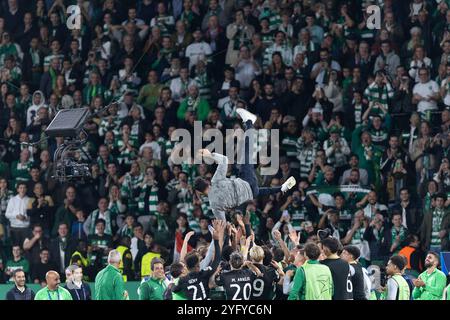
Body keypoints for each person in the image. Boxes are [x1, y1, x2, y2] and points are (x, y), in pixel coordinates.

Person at [194, 108, 296, 221]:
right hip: (247, 181)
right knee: (246, 151)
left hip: (250, 194)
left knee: (261, 191)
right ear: (207, 182)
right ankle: (249, 122)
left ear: (200, 193)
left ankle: (282, 188)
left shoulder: (214, 206)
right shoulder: (215, 181)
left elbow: (222, 223)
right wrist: (209, 154)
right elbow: (224, 160)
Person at [172, 220, 225, 300]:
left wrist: (186, 240)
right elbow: (216, 259)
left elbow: (174, 290)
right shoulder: (202, 274)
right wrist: (216, 240)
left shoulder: (182, 280)